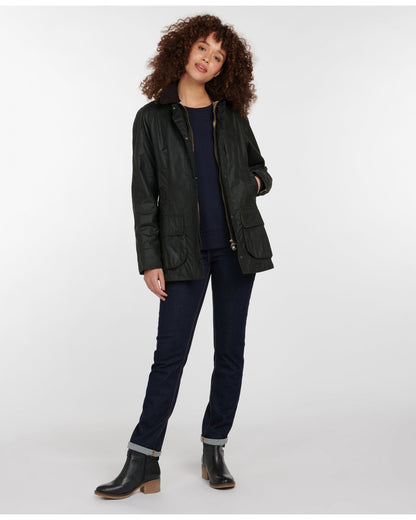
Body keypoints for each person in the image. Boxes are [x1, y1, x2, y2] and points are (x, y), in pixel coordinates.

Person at [95, 13, 274, 499]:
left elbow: (262, 171)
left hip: (237, 252)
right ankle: (142, 458)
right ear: (183, 50)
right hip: (181, 252)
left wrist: (250, 183)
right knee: (169, 356)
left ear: (225, 67)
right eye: (202, 48)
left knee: (229, 353)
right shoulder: (152, 118)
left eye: (218, 56)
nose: (208, 60)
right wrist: (149, 259)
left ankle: (214, 448)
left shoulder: (231, 114)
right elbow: (144, 195)